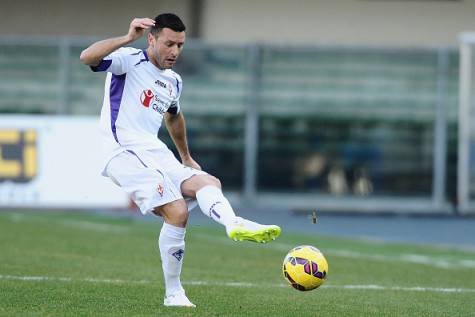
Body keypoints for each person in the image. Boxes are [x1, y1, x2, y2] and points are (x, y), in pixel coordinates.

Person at [79, 13, 281, 308]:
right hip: (121, 152)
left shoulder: (173, 81)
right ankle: (173, 293)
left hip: (155, 151)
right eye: (169, 43)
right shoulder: (128, 60)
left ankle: (233, 222)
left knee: (209, 182)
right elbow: (86, 57)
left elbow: (174, 116)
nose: (174, 51)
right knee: (177, 211)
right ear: (152, 39)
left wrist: (186, 157)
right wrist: (126, 37)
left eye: (180, 45)